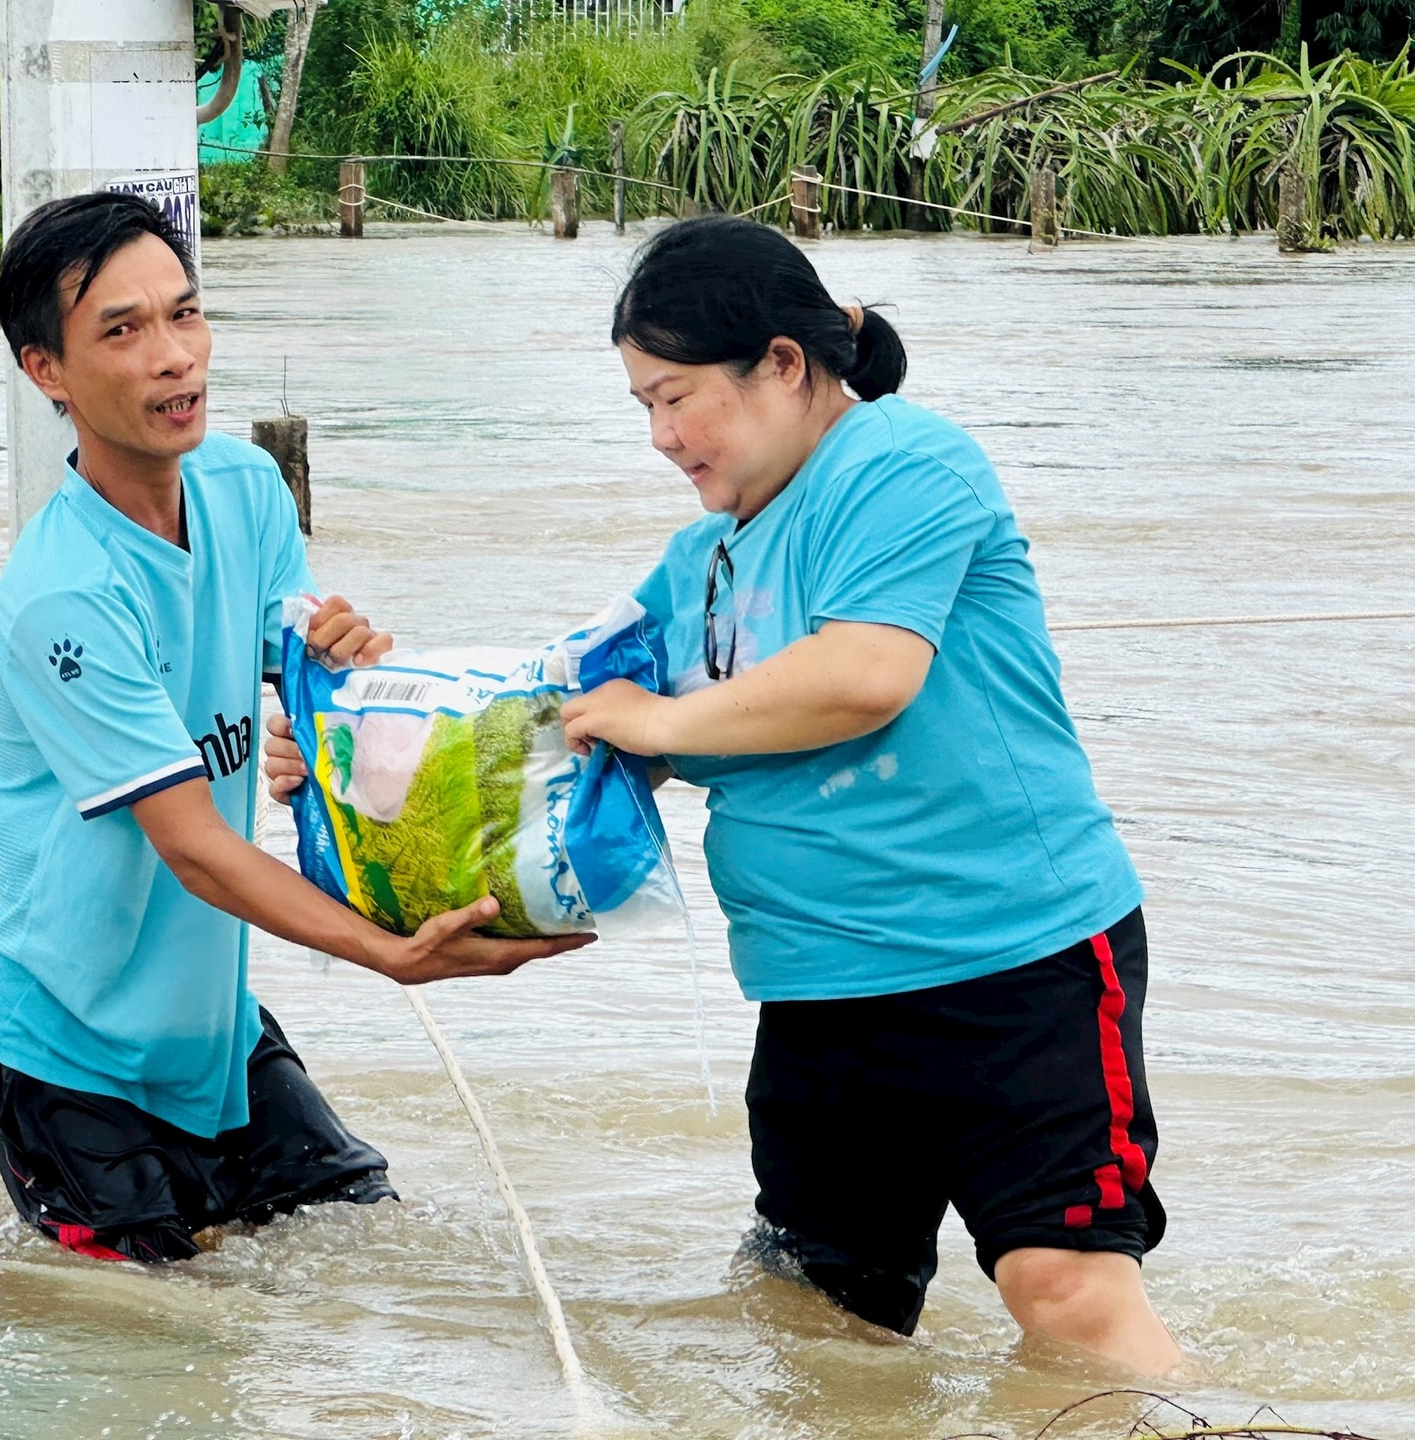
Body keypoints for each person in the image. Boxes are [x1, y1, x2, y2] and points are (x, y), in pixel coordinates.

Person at [268, 215, 1180, 1375]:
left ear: (785, 366)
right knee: (820, 1323)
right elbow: (551, 733)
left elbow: (864, 675)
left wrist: (651, 719)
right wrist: (350, 755)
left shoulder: (903, 463)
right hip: (818, 990)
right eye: (642, 405)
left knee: (1068, 1295)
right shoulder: (693, 566)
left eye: (676, 396)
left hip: (1015, 966)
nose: (659, 436)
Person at [0, 192, 591, 1264]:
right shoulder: (60, 597)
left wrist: (339, 679)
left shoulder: (247, 486)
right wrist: (390, 954)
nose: (174, 357)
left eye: (186, 315)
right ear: (48, 373)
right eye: (123, 331)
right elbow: (195, 848)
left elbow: (300, 678)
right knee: (142, 1339)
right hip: (72, 1057)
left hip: (214, 1031)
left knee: (372, 1258)